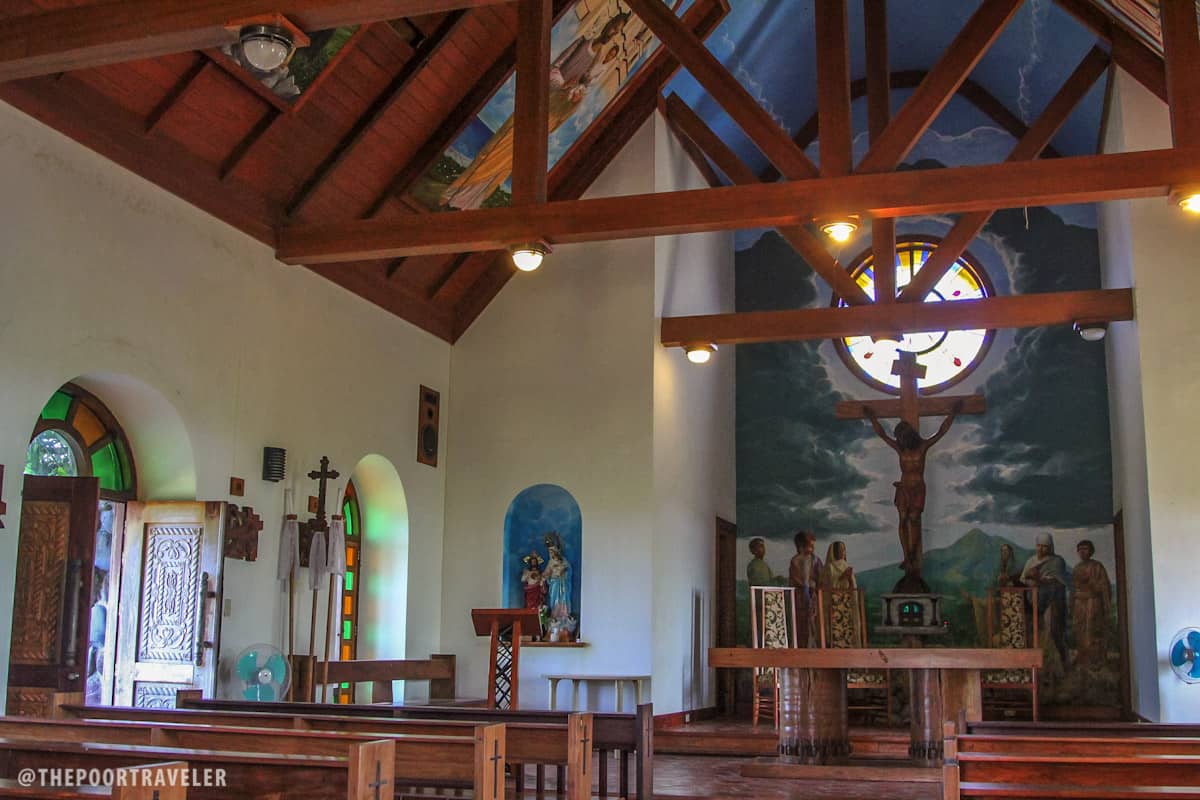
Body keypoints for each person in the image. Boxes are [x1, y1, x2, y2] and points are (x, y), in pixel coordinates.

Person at [440, 13, 631, 210]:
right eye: (614, 25)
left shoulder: (595, 62)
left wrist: (573, 97)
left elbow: (578, 92)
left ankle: (469, 203)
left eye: (619, 29)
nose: (614, 30)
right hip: (539, 100)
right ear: (608, 23)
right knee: (496, 147)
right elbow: (554, 67)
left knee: (511, 159)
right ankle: (456, 193)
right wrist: (561, 85)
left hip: (551, 113)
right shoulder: (581, 44)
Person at [864, 400, 963, 584]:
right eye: (898, 438)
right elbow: (882, 435)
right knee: (902, 519)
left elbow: (941, 432)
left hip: (917, 489)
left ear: (907, 435)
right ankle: (906, 556)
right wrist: (872, 417)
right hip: (904, 488)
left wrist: (953, 414)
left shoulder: (922, 447)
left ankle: (912, 553)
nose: (899, 440)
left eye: (901, 437)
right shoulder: (900, 449)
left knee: (914, 519)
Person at [1020, 532, 1070, 670]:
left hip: (1052, 601)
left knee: (1054, 632)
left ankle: (1061, 664)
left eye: (1044, 547)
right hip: (1032, 600)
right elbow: (1023, 580)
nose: (1041, 549)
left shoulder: (1057, 561)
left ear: (1050, 547)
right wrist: (1032, 581)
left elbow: (1058, 582)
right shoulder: (1030, 561)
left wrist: (1039, 580)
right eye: (1039, 546)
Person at [1070, 539, 1112, 668]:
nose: (1082, 552)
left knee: (1092, 630)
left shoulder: (1097, 566)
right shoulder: (1076, 568)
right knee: (1079, 630)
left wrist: (1093, 586)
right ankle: (1083, 658)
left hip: (1092, 602)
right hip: (1079, 603)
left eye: (1085, 549)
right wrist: (1071, 603)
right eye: (1080, 549)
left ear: (1091, 551)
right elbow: (1073, 587)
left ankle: (1095, 660)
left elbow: (1104, 586)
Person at [788, 531, 823, 647]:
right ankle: (801, 646)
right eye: (810, 546)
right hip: (800, 597)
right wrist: (805, 586)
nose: (812, 549)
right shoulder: (795, 561)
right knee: (801, 623)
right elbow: (795, 579)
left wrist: (816, 587)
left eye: (813, 546)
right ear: (800, 546)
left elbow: (821, 577)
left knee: (814, 622)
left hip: (813, 596)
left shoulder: (816, 560)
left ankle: (814, 646)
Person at [543, 532, 572, 623]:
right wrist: (543, 577)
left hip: (562, 583)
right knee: (554, 599)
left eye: (552, 552)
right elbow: (546, 573)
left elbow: (569, 569)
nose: (551, 554)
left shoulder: (563, 560)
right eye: (549, 552)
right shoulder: (550, 562)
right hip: (554, 583)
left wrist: (564, 572)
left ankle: (563, 616)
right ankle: (555, 616)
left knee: (562, 598)